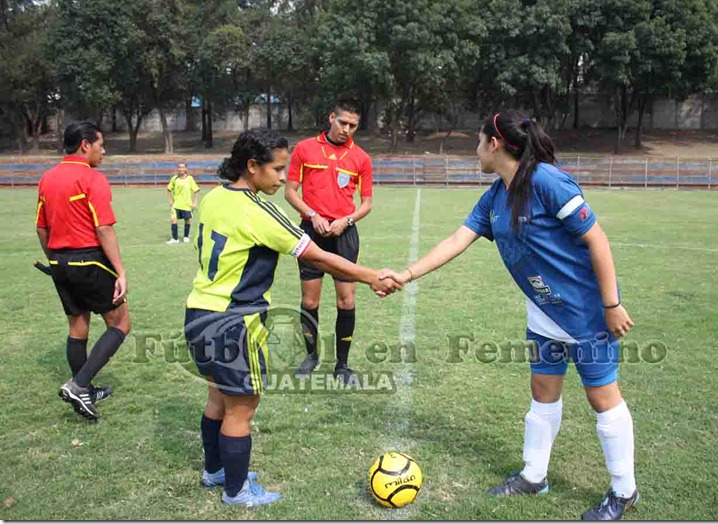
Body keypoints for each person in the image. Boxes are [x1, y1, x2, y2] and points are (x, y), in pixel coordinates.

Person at [380, 112, 638, 521]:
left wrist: (611, 305)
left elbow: (596, 239)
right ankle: (534, 475)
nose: (476, 150)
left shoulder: (547, 182)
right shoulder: (496, 195)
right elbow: (456, 239)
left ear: (495, 144)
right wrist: (406, 275)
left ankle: (624, 490)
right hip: (543, 310)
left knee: (601, 397)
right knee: (542, 391)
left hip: (586, 312)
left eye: (479, 142)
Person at [184, 129, 399, 508]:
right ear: (251, 167)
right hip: (235, 322)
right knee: (242, 407)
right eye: (277, 169)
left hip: (198, 312)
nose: (283, 177)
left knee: (217, 396)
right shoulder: (259, 211)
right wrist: (369, 276)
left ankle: (216, 470)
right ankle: (236, 492)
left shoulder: (215, 197)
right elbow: (314, 254)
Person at [36, 121, 132, 421]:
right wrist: (120, 271)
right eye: (100, 144)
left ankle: (86, 389)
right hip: (89, 260)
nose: (103, 150)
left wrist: (55, 261)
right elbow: (103, 228)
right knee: (120, 324)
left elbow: (41, 228)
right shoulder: (93, 179)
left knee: (78, 328)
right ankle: (78, 385)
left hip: (59, 261)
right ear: (84, 145)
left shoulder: (47, 178)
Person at [284, 97, 373, 384]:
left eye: (353, 125)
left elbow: (367, 203)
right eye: (343, 122)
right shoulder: (305, 149)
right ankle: (311, 357)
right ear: (331, 117)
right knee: (309, 299)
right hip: (310, 232)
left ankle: (343, 366)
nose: (347, 129)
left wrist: (345, 221)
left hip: (344, 234)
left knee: (346, 301)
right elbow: (290, 192)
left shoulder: (361, 158)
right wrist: (312, 215)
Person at [166, 161, 200, 244]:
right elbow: (169, 189)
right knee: (173, 219)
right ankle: (175, 238)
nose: (181, 169)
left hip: (187, 205)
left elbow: (196, 190)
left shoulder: (189, 179)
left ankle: (186, 236)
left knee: (187, 220)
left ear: (186, 169)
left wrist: (195, 202)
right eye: (179, 167)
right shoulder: (174, 179)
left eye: (182, 167)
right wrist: (170, 200)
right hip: (176, 205)